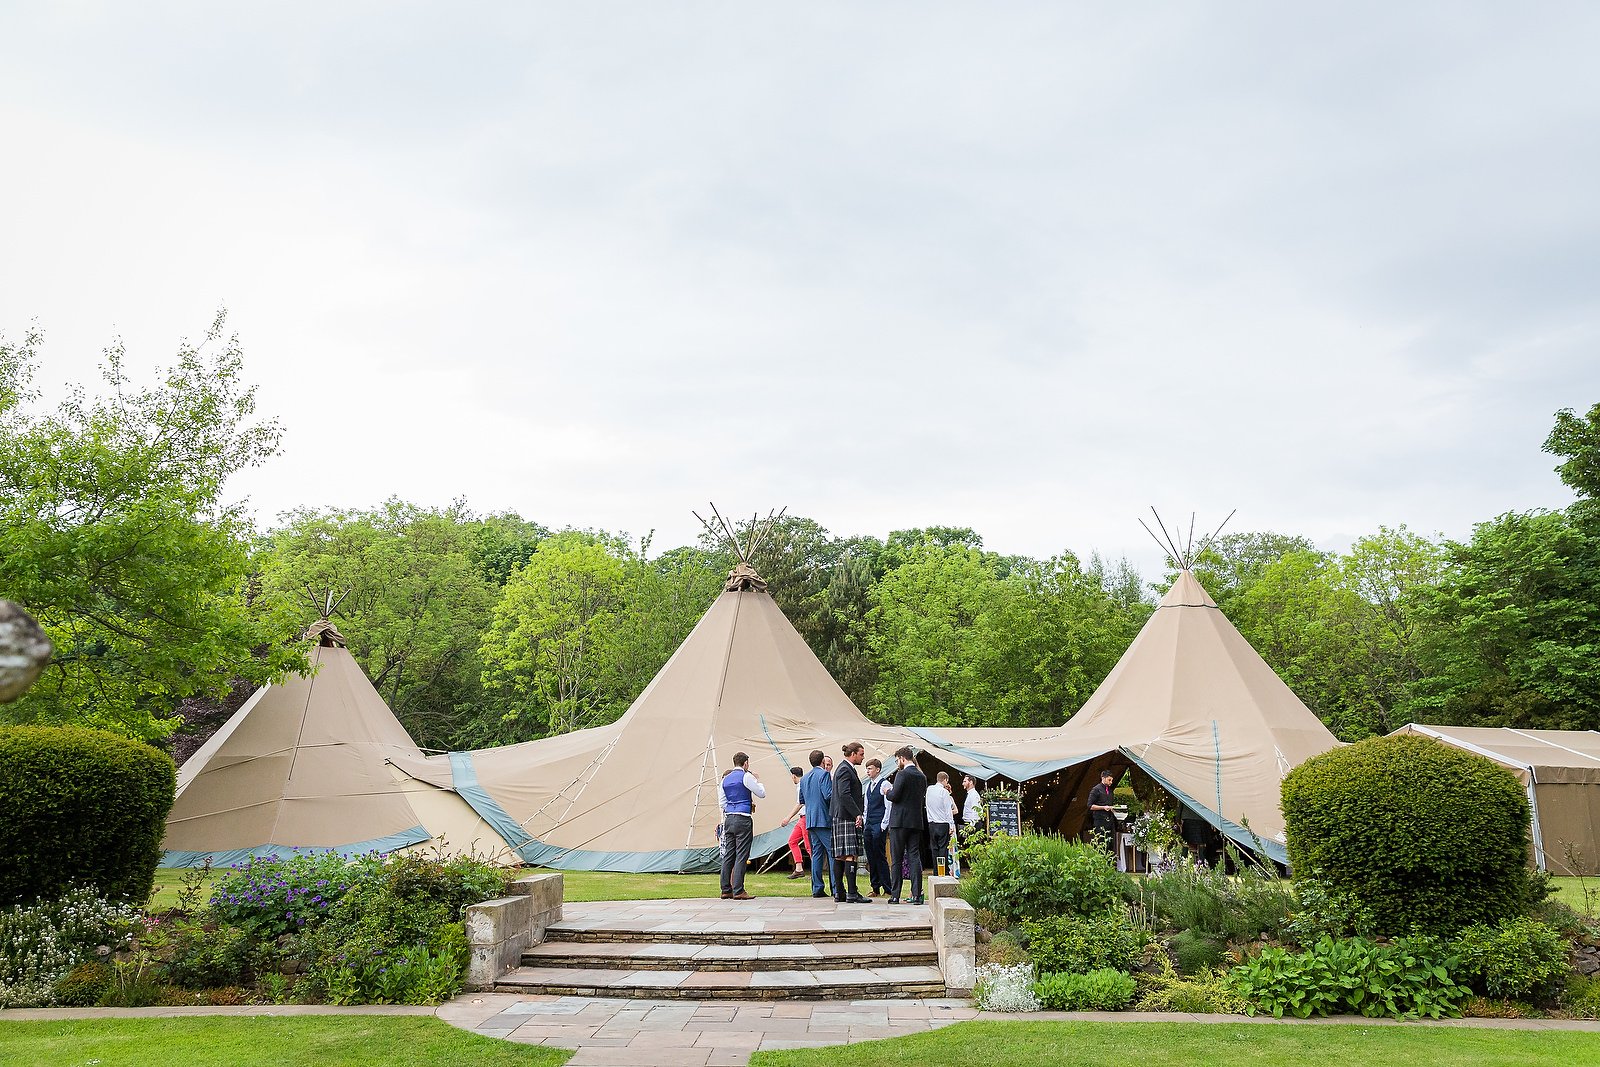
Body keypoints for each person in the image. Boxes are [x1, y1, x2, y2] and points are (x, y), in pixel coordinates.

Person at [881, 745, 928, 905]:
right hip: (915, 821)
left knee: (897, 859)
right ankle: (916, 895)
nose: (897, 763)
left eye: (897, 760)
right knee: (914, 857)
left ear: (902, 758)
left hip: (899, 821)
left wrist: (888, 792)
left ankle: (895, 895)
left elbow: (895, 795)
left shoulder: (902, 774)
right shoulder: (922, 776)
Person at [718, 752, 766, 900]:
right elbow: (761, 793)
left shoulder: (725, 779)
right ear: (745, 763)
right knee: (741, 854)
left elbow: (722, 802)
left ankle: (726, 889)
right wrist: (758, 780)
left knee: (728, 855)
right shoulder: (747, 776)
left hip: (729, 818)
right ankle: (738, 889)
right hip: (743, 818)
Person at [830, 742, 871, 903]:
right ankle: (851, 893)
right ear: (853, 754)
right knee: (849, 855)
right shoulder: (844, 770)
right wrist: (857, 814)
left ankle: (840, 893)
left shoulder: (844, 769)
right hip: (846, 816)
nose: (863, 757)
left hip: (841, 816)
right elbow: (844, 794)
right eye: (861, 754)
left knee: (841, 855)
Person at [797, 749, 834, 898]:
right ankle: (836, 888)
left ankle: (817, 888)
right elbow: (828, 795)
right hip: (823, 819)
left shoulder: (804, 778)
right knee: (832, 852)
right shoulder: (824, 774)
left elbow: (801, 799)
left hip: (810, 819)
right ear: (822, 762)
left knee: (817, 854)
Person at [862, 757, 891, 896]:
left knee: (880, 856)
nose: (868, 771)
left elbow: (888, 807)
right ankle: (875, 887)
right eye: (867, 769)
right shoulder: (868, 785)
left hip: (879, 823)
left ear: (877, 770)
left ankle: (887, 888)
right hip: (868, 823)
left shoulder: (885, 784)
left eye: (870, 768)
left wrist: (883, 825)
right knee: (870, 856)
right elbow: (866, 806)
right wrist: (864, 820)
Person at [926, 771, 957, 877]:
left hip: (932, 823)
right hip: (943, 823)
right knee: (943, 848)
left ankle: (936, 871)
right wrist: (951, 825)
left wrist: (929, 819)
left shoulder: (929, 789)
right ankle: (943, 871)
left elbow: (927, 806)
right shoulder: (944, 792)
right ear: (945, 780)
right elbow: (948, 810)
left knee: (934, 848)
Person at [781, 766, 809, 879]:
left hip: (805, 817)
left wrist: (788, 817)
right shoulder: (803, 784)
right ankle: (799, 868)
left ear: (793, 776)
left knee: (809, 846)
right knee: (792, 841)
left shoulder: (800, 787)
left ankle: (816, 870)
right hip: (801, 818)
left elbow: (800, 803)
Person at [1087, 768, 1120, 846]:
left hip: (1110, 820)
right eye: (1109, 780)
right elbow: (1090, 806)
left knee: (1110, 843)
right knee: (1101, 842)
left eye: (1111, 780)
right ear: (1103, 778)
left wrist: (1114, 809)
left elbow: (1110, 805)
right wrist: (1103, 807)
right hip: (1100, 820)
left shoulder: (1110, 791)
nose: (1111, 782)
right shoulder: (1096, 789)